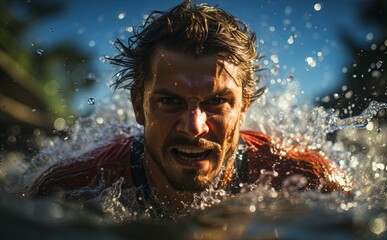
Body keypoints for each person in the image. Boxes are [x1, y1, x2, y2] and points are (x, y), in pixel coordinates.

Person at [27, 1, 351, 214]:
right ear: (139, 106)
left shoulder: (305, 179)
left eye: (216, 102)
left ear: (243, 108)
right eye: (170, 101)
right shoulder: (72, 188)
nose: (194, 127)